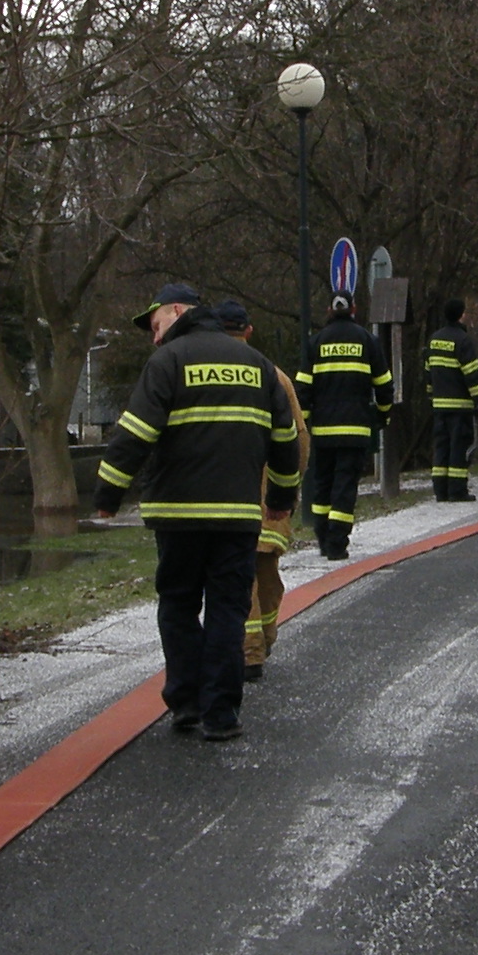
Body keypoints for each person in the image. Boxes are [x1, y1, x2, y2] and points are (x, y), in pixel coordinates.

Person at [92, 289, 301, 741]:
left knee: (179, 605)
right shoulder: (258, 366)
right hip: (239, 515)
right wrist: (283, 498)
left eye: (155, 326)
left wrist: (108, 493)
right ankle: (221, 714)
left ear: (177, 312)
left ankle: (185, 704)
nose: (154, 339)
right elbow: (285, 438)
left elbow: (134, 434)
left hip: (178, 515)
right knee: (228, 608)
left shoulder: (168, 363)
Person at [212, 303, 306, 684]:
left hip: (224, 494)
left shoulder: (202, 374)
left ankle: (249, 650)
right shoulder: (274, 376)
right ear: (249, 331)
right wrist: (288, 490)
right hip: (269, 497)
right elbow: (299, 437)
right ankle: (261, 642)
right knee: (265, 573)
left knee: (236, 578)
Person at [293, 292, 391, 559]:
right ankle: (337, 543)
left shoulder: (315, 342)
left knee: (323, 484)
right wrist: (383, 414)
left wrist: (303, 423)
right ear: (354, 309)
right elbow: (383, 384)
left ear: (329, 310)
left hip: (323, 431)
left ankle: (323, 539)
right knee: (345, 486)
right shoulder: (368, 341)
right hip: (355, 429)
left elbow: (303, 387)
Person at [423, 297, 478, 501]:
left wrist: (431, 395)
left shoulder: (434, 339)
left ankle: (440, 490)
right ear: (461, 315)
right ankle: (457, 491)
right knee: (458, 448)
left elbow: (428, 372)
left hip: (439, 406)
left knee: (441, 448)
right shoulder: (462, 340)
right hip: (460, 406)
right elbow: (471, 373)